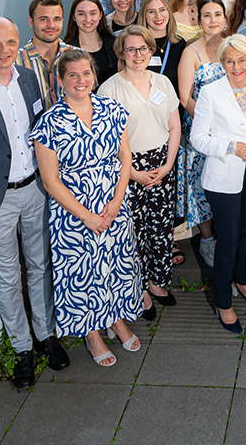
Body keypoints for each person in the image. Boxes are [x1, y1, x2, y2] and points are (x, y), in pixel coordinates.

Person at [31, 49, 142, 367]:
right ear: (61, 80)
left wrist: (117, 200)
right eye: (73, 75)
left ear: (95, 75)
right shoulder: (49, 122)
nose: (81, 80)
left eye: (86, 73)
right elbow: (51, 181)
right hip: (73, 213)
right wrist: (88, 216)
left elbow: (125, 157)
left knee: (115, 267)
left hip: (113, 205)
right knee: (83, 274)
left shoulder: (111, 108)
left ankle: (116, 319)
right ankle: (92, 332)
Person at [0, 17, 68, 388]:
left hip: (35, 189)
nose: (3, 50)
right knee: (6, 278)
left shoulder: (29, 78)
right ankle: (22, 349)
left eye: (9, 42)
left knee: (40, 264)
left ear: (18, 42)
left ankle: (46, 334)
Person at [191, 35, 246, 334]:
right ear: (222, 63)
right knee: (226, 239)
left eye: (242, 60)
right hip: (223, 175)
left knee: (245, 231)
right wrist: (233, 147)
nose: (236, 66)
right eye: (230, 60)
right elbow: (198, 137)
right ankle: (223, 302)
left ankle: (242, 280)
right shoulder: (211, 92)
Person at [98, 27, 181, 321]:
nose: (137, 55)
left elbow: (174, 127)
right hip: (127, 168)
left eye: (143, 49)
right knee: (135, 233)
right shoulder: (108, 90)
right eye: (131, 49)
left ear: (151, 51)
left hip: (162, 163)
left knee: (160, 228)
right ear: (121, 52)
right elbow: (106, 140)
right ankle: (139, 290)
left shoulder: (162, 82)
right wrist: (130, 172)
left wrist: (169, 165)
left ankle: (157, 282)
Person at [176, 0, 227, 266]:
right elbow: (185, 98)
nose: (212, 20)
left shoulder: (233, 48)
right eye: (206, 15)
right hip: (201, 133)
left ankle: (226, 235)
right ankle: (207, 239)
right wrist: (211, 125)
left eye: (217, 14)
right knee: (201, 185)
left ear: (225, 17)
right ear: (199, 19)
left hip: (230, 132)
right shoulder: (190, 52)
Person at [17, 0, 72, 110]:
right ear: (31, 21)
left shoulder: (79, 56)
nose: (51, 25)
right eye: (43, 19)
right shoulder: (15, 62)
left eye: (56, 19)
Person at [138, 0, 187, 113]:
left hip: (172, 113)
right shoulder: (135, 45)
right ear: (144, 15)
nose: (158, 16)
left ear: (169, 11)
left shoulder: (179, 45)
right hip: (142, 112)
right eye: (151, 11)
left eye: (162, 10)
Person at [64, 0, 118, 87]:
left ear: (100, 15)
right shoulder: (66, 50)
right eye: (81, 14)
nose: (88, 19)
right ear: (74, 16)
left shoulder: (115, 44)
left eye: (93, 13)